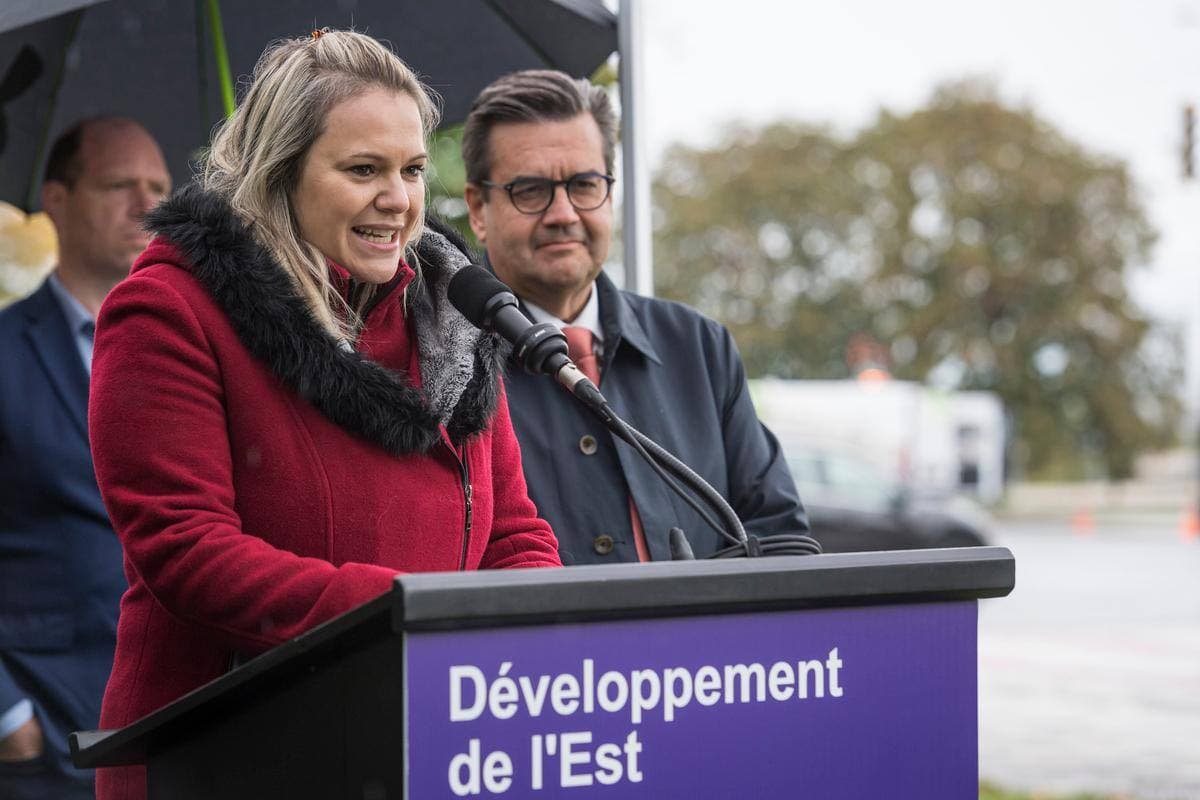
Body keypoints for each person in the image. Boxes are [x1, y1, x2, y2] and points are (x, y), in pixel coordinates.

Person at [87, 31, 560, 799]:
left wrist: (525, 635)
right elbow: (187, 550)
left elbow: (514, 530)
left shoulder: (455, 315)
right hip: (224, 757)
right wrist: (410, 618)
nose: (400, 199)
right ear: (281, 175)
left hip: (428, 741)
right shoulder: (168, 310)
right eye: (362, 170)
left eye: (410, 169)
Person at [462, 70, 809, 563]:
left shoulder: (700, 347)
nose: (563, 212)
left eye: (584, 184)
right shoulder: (438, 364)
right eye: (531, 190)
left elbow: (782, 537)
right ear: (478, 207)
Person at [0, 117, 169, 800]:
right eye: (118, 185)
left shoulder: (201, 353)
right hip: (50, 740)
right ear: (58, 201)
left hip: (191, 724)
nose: (148, 205)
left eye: (159, 186)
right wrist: (9, 718)